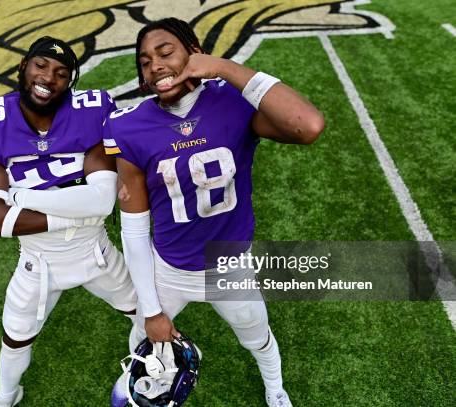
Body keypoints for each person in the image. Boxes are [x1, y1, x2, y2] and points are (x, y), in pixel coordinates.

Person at [104, 18, 324, 407]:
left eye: (165, 52)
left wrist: (223, 67)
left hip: (228, 264)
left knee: (255, 334)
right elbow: (134, 228)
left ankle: (274, 386)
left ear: (194, 50)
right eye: (144, 61)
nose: (154, 65)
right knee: (143, 336)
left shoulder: (232, 100)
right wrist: (153, 310)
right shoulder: (129, 127)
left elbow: (307, 125)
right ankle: (148, 380)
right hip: (168, 266)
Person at [0, 36, 139, 407]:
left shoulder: (92, 113)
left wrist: (20, 198)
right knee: (15, 337)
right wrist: (77, 211)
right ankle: (7, 394)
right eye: (41, 65)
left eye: (61, 72)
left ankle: (136, 373)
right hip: (37, 262)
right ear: (22, 67)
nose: (48, 77)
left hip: (96, 253)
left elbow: (102, 200)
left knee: (146, 311)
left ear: (69, 83)